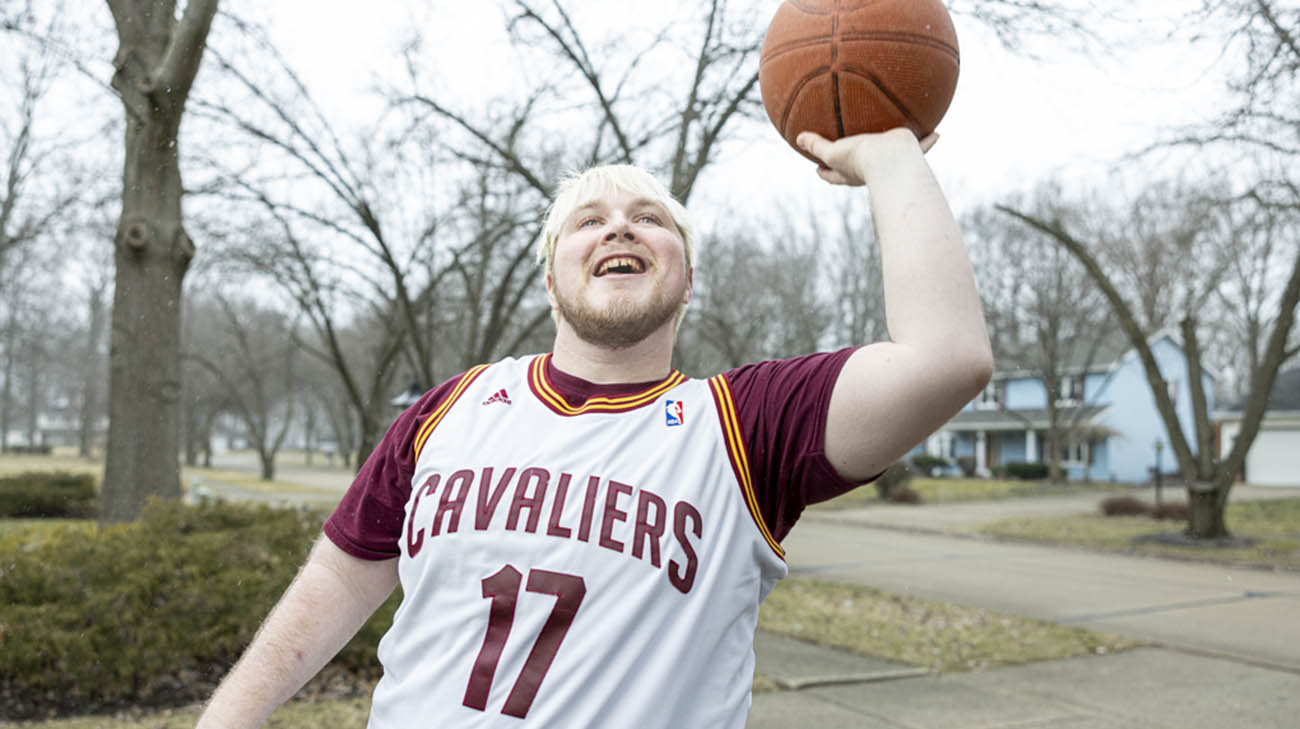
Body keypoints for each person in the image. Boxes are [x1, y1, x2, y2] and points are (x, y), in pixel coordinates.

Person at [194, 128, 993, 729]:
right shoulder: (448, 410)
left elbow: (948, 355)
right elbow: (338, 580)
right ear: (551, 278)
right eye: (590, 220)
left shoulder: (746, 427)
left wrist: (890, 157)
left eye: (650, 219)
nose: (618, 228)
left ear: (686, 282)